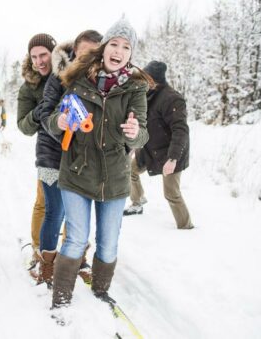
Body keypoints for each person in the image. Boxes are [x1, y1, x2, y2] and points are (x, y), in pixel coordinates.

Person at [46, 18, 153, 312]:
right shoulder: (79, 80)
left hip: (114, 178)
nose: (118, 51)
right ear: (105, 47)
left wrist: (135, 133)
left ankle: (101, 290)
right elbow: (51, 119)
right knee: (76, 238)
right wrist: (61, 121)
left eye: (126, 47)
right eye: (114, 44)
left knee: (108, 243)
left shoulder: (135, 88)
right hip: (77, 173)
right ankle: (62, 298)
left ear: (130, 54)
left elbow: (142, 131)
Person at [35, 30, 103, 286]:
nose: (88, 57)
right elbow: (44, 113)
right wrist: (59, 124)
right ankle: (47, 267)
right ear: (75, 49)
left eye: (94, 53)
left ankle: (76, 260)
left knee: (78, 214)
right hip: (52, 155)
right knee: (55, 211)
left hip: (81, 158)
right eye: (83, 52)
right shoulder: (58, 75)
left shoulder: (98, 78)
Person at [123, 60, 194, 230]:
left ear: (155, 80)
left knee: (171, 194)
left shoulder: (172, 98)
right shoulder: (147, 95)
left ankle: (186, 227)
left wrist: (173, 158)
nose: (142, 81)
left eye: (146, 78)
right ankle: (138, 201)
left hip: (170, 154)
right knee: (131, 170)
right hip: (149, 149)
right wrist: (134, 146)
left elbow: (181, 131)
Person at [16, 33, 57, 276]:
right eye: (34, 57)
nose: (39, 61)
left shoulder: (67, 76)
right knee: (45, 203)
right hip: (48, 152)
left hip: (74, 150)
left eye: (43, 55)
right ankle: (38, 249)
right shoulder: (29, 87)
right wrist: (38, 112)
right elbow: (23, 126)